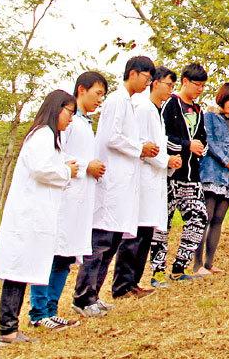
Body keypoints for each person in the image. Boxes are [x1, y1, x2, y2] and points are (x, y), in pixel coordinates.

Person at [0, 90, 79, 346]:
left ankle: (10, 328)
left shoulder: (49, 137)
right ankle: (7, 330)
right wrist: (66, 170)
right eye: (69, 112)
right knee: (17, 271)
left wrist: (67, 168)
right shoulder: (42, 135)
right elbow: (42, 170)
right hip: (28, 218)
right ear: (56, 109)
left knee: (21, 269)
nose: (70, 119)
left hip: (35, 217)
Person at [72, 56, 159, 316]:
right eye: (146, 77)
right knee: (100, 243)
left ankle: (94, 295)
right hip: (110, 183)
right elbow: (111, 138)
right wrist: (139, 148)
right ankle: (82, 297)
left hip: (122, 184)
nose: (148, 83)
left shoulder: (128, 103)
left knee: (111, 242)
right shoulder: (117, 101)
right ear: (133, 73)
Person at [28, 72, 107, 329]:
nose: (100, 99)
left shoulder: (82, 122)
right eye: (97, 93)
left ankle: (51, 308)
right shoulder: (67, 123)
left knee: (65, 257)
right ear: (82, 90)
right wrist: (86, 166)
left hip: (79, 199)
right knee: (52, 254)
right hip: (64, 196)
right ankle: (38, 311)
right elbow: (61, 157)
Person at [113, 67, 176, 295]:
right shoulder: (141, 108)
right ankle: (122, 284)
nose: (170, 89)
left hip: (154, 177)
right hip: (142, 176)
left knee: (146, 232)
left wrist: (167, 160)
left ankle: (134, 282)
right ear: (156, 83)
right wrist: (165, 160)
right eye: (168, 84)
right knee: (135, 233)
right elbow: (141, 144)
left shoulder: (155, 110)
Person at [150, 63, 210, 284]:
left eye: (203, 86)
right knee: (162, 222)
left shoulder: (198, 110)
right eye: (197, 85)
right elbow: (161, 137)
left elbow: (202, 136)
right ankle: (157, 271)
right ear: (185, 82)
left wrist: (201, 147)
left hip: (192, 176)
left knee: (199, 217)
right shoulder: (170, 105)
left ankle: (179, 266)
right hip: (169, 174)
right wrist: (186, 146)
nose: (200, 89)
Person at [195, 82, 229, 274]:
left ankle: (209, 263)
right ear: (222, 99)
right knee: (205, 217)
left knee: (218, 219)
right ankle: (197, 264)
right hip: (212, 173)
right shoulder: (209, 117)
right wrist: (227, 162)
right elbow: (210, 142)